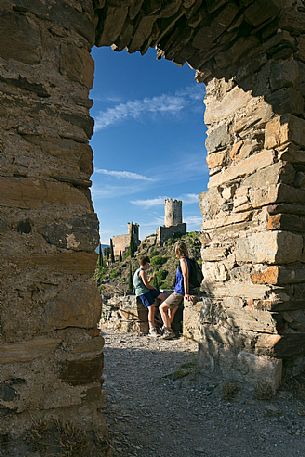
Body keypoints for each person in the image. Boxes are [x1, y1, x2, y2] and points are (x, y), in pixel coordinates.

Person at [160, 240, 192, 340]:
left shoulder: (183, 261)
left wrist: (186, 292)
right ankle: (168, 328)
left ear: (177, 250)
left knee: (162, 308)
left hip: (180, 291)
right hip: (179, 290)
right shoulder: (188, 260)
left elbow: (185, 277)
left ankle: (168, 331)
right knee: (170, 310)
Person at [133, 256, 167, 337]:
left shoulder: (139, 271)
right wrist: (154, 288)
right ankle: (152, 329)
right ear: (146, 263)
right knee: (151, 307)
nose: (149, 266)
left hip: (146, 290)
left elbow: (145, 283)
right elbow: (147, 285)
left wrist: (150, 279)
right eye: (149, 264)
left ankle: (160, 315)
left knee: (163, 296)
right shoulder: (142, 272)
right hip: (143, 292)